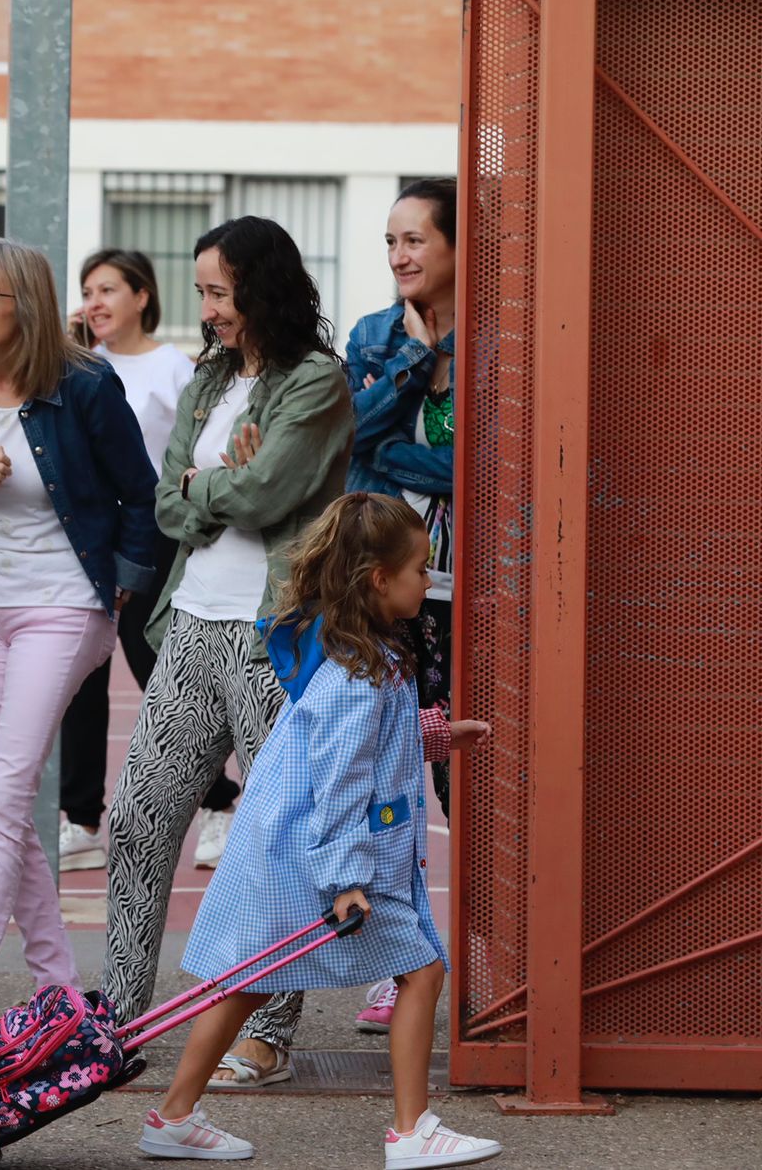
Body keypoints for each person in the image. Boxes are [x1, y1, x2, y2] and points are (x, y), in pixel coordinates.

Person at [135, 493, 499, 1168]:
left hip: (287, 847)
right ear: (378, 580)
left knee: (249, 977)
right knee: (422, 968)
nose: (429, 579)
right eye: (421, 569)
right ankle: (412, 1128)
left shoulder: (361, 656)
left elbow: (368, 749)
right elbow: (339, 786)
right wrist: (345, 881)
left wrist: (441, 734)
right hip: (324, 855)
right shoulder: (359, 678)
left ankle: (174, 1115)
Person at [103, 216, 353, 1093]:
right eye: (203, 291)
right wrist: (213, 490)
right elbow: (167, 504)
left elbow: (265, 488)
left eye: (219, 292)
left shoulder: (316, 382)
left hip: (271, 633)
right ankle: (122, 1017)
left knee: (272, 834)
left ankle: (272, 1029)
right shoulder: (210, 380)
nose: (206, 310)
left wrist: (204, 488)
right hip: (191, 625)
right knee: (138, 822)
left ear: (262, 289)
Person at [0, 238, 159, 1031]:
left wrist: (122, 587)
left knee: (7, 792)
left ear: (27, 306)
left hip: (64, 604)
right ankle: (59, 988)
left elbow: (140, 498)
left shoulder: (83, 385)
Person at [55, 248, 226, 874]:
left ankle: (219, 801)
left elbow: (193, 453)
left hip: (150, 533)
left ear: (142, 296)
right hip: (83, 536)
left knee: (159, 672)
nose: (94, 302)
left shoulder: (172, 368)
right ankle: (80, 820)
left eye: (108, 290)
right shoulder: (75, 367)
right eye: (87, 291)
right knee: (79, 679)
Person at [344, 178, 458, 1035]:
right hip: (388, 589)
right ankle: (398, 959)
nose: (400, 257)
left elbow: (482, 470)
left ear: (459, 245)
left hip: (473, 586)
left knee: (457, 774)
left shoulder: (501, 339)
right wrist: (414, 365)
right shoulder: (376, 336)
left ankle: (473, 950)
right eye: (391, 242)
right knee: (386, 774)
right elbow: (354, 439)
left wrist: (407, 461)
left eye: (415, 239)